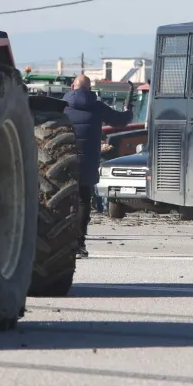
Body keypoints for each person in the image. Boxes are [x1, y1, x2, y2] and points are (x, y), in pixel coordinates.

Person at [64, 74, 133, 259]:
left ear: (72, 87)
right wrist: (129, 110)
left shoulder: (62, 106)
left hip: (64, 162)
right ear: (89, 89)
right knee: (83, 201)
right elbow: (120, 121)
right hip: (88, 162)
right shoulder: (97, 107)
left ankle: (62, 243)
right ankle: (79, 244)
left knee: (65, 203)